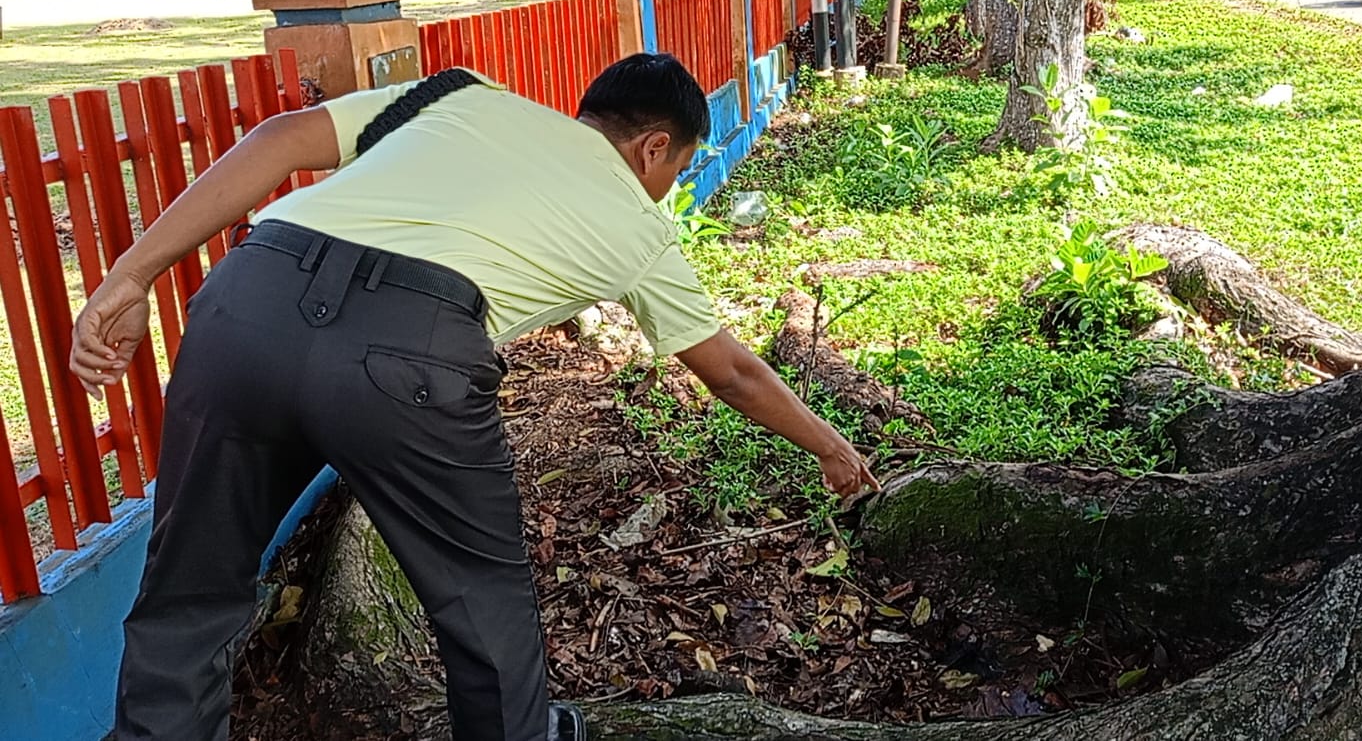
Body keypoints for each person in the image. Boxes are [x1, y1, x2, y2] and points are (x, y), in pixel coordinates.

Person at [70, 54, 881, 741]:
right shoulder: (639, 227)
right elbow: (730, 371)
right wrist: (831, 446)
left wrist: (131, 274)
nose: (669, 186)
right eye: (677, 169)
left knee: (188, 586)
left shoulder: (454, 94)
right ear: (653, 148)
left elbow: (281, 140)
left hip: (245, 300)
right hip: (409, 353)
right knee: (481, 608)